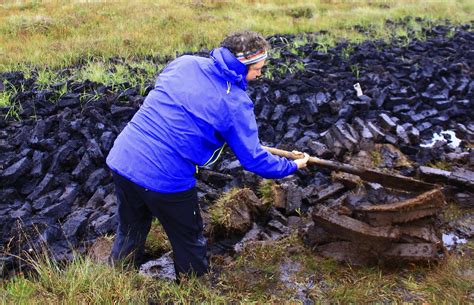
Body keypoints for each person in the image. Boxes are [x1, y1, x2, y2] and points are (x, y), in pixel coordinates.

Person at [106, 30, 310, 280]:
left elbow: (176, 102)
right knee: (189, 239)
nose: (259, 74)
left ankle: (116, 279)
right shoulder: (235, 103)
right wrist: (293, 166)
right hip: (165, 177)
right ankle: (194, 287)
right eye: (257, 68)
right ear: (241, 65)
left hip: (124, 157)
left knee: (131, 226)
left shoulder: (185, 62)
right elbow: (254, 159)